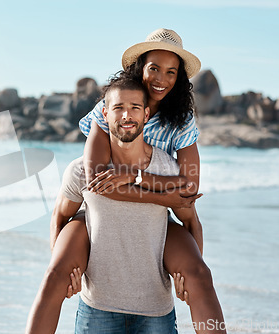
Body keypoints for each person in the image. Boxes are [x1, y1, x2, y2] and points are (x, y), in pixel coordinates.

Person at [26, 28, 226, 334]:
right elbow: (97, 181)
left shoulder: (182, 118)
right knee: (54, 273)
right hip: (116, 203)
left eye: (171, 72)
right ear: (140, 68)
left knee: (199, 275)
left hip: (156, 194)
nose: (161, 78)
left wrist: (137, 178)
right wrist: (163, 197)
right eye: (154, 69)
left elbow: (189, 189)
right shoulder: (111, 106)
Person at [39, 75, 187, 332]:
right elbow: (59, 217)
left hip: (155, 311)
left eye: (134, 108)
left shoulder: (167, 169)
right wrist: (64, 273)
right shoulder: (80, 170)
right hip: (97, 308)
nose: (127, 116)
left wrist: (185, 279)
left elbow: (192, 221)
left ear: (147, 114)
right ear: (104, 114)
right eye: (118, 108)